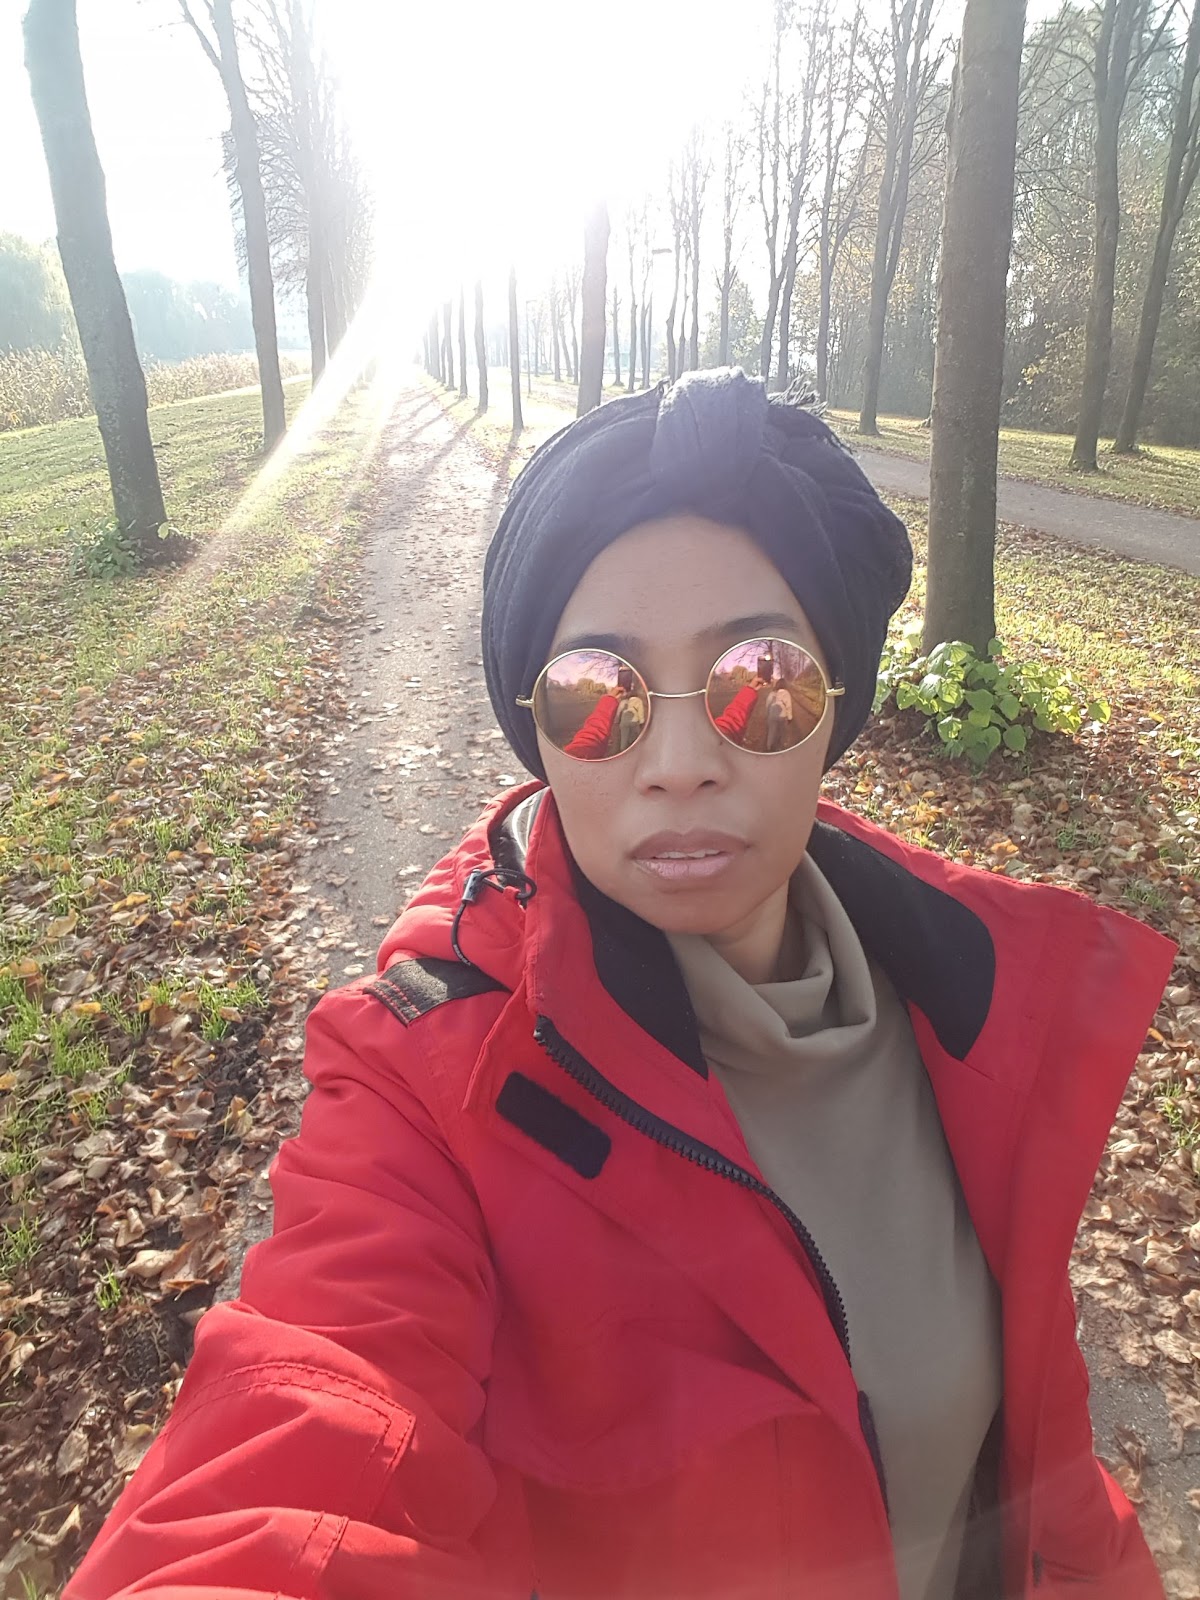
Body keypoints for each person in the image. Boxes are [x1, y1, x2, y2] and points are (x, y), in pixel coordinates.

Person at [68, 370, 1175, 1600]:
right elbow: (298, 1443)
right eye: (599, 696)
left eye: (761, 682)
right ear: (536, 727)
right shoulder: (429, 1084)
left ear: (837, 704)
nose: (683, 762)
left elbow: (1044, 1488)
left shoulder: (973, 997)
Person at [766, 678, 794, 751]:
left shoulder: (772, 693)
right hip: (782, 716)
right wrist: (790, 717)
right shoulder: (786, 693)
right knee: (782, 732)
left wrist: (768, 714)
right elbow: (788, 706)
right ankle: (781, 747)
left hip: (772, 715)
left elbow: (768, 704)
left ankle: (769, 746)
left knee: (771, 732)